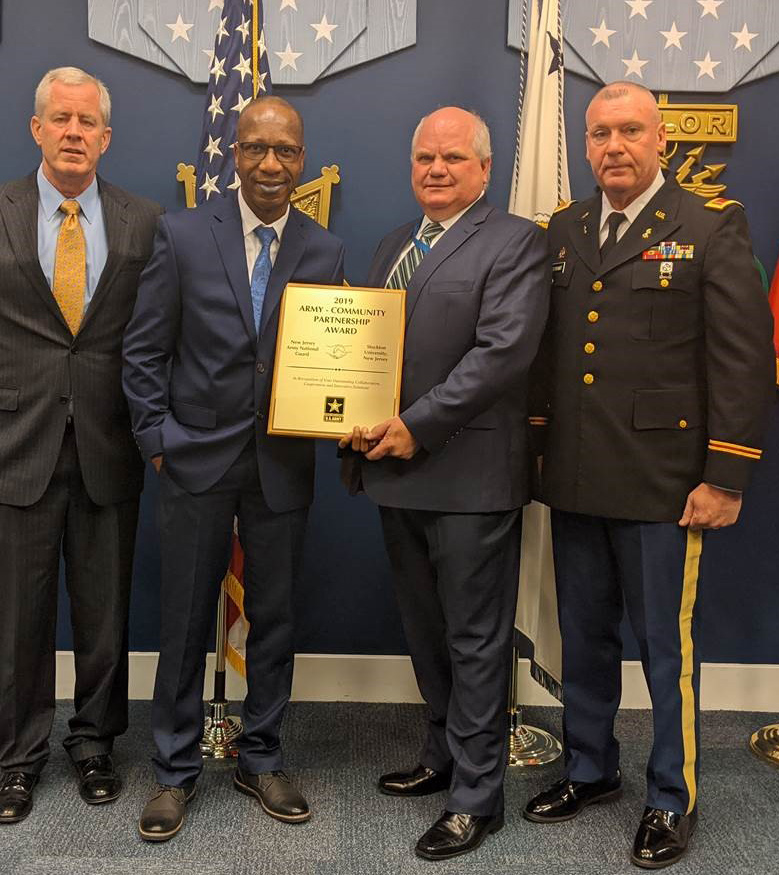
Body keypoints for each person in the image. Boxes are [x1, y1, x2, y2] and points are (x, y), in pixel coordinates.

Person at [525, 80, 775, 869]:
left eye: (629, 131)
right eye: (599, 134)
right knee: (583, 639)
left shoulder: (708, 226)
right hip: (574, 475)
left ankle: (671, 795)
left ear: (660, 141)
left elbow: (741, 359)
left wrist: (725, 474)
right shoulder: (564, 229)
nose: (613, 147)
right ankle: (590, 767)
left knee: (665, 650)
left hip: (665, 483)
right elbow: (550, 357)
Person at [0, 66, 162, 824]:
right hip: (13, 445)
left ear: (105, 137)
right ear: (36, 129)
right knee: (21, 618)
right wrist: (11, 387)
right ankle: (19, 758)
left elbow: (152, 335)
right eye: (59, 118)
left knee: (104, 615)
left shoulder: (141, 220)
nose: (73, 132)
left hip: (108, 444)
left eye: (86, 120)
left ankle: (94, 743)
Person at [122, 96, 346, 842]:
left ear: (302, 158)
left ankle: (262, 755)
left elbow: (335, 360)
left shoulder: (324, 250)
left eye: (284, 151)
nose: (270, 165)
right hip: (194, 458)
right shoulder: (182, 233)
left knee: (275, 618)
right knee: (185, 619)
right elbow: (144, 347)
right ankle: (174, 771)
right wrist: (156, 436)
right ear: (233, 154)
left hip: (282, 464)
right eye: (255, 149)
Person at [341, 106, 549, 861]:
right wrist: (347, 414)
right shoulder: (394, 243)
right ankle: (442, 755)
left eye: (452, 158)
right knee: (425, 629)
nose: (435, 169)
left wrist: (414, 424)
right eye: (423, 156)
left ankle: (476, 796)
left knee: (473, 638)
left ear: (485, 169)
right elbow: (364, 352)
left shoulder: (514, 242)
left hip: (467, 477)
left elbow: (500, 355)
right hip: (395, 473)